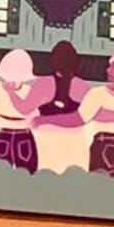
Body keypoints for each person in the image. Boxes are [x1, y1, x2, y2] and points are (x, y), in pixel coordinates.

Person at [29, 40, 91, 174]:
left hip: (46, 141)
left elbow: (27, 110)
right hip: (75, 142)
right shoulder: (83, 87)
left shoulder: (43, 84)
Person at [0, 50, 40, 175]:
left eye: (18, 78)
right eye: (10, 76)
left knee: (27, 170)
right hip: (4, 135)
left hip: (24, 137)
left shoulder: (29, 90)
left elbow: (35, 114)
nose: (13, 81)